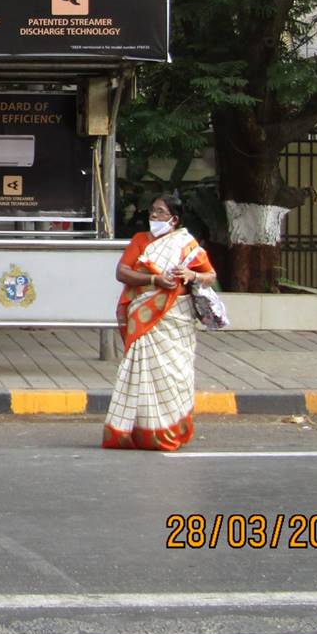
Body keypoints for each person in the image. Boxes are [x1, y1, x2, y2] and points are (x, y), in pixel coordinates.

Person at [102, 192, 217, 451]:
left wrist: (190, 274)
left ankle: (169, 429)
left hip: (176, 318)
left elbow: (210, 275)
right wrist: (154, 280)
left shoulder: (186, 245)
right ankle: (139, 432)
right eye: (153, 211)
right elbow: (122, 271)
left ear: (174, 219)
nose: (154, 216)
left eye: (160, 212)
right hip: (144, 317)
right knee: (142, 373)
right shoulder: (140, 240)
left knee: (173, 374)